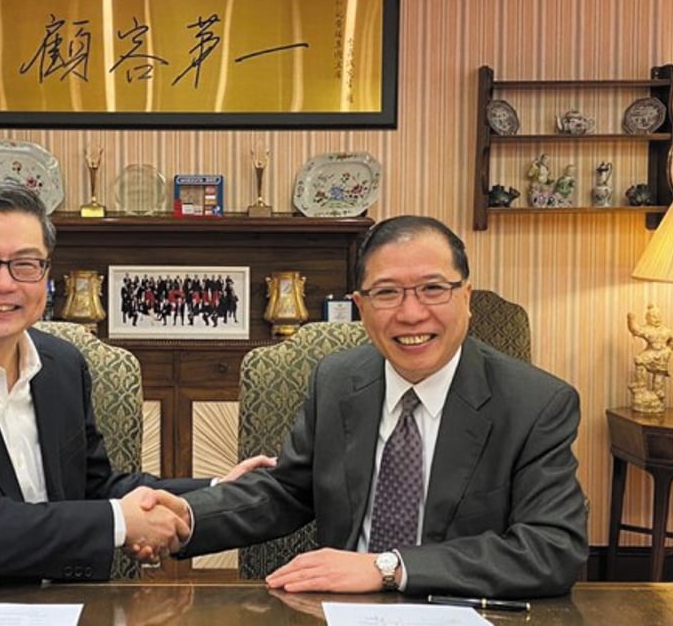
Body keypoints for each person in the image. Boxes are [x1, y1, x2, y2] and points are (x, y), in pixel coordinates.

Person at [0, 182, 272, 580]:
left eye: (25, 264)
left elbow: (93, 487)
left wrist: (215, 490)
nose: (3, 283)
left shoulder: (61, 364)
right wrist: (122, 522)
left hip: (53, 600)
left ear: (46, 273)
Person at [146, 215, 588, 598]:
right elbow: (289, 491)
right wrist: (188, 517)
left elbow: (552, 548)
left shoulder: (536, 404)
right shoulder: (338, 380)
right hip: (342, 610)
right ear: (360, 306)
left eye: (433, 289)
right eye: (387, 293)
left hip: (461, 606)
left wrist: (388, 567)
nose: (411, 314)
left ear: (466, 298)